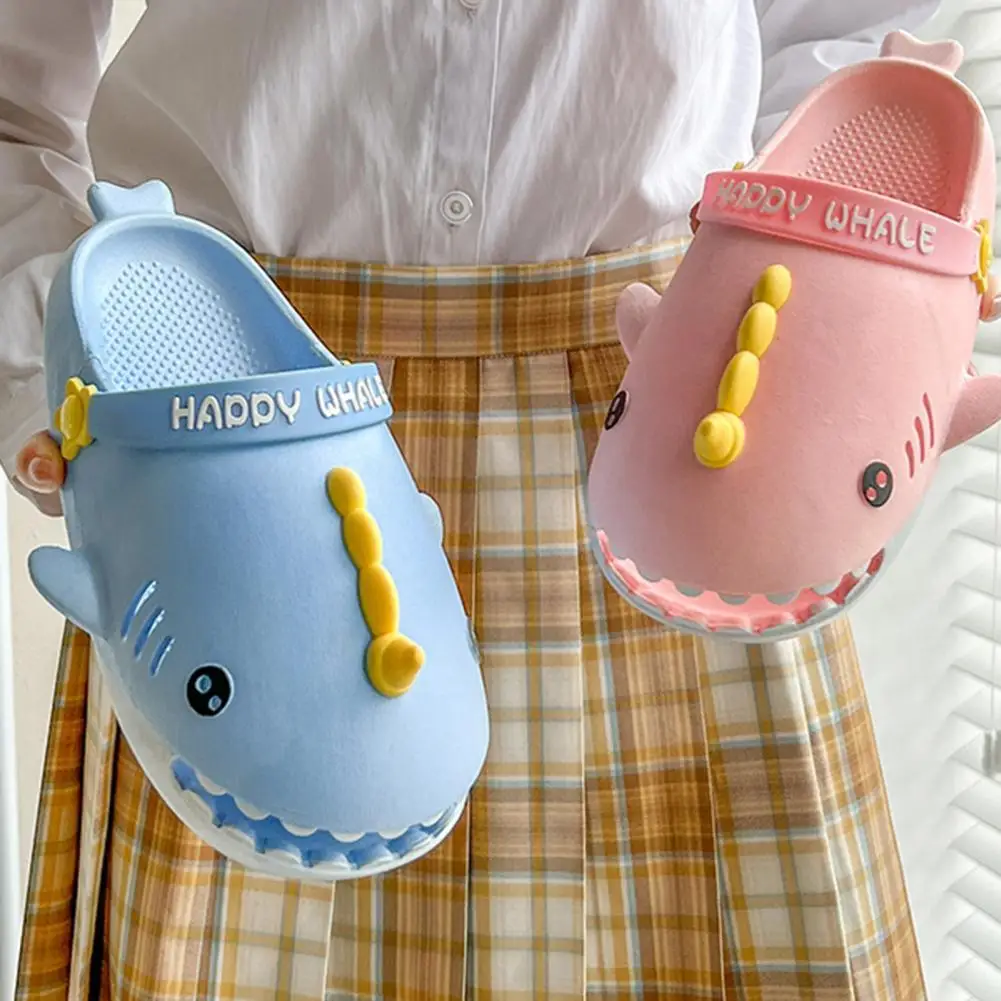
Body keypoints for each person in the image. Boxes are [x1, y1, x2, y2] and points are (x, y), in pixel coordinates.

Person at [4, 2, 941, 998]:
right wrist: (62, 368)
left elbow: (843, 22)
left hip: (661, 425)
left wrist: (836, 284)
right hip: (224, 437)